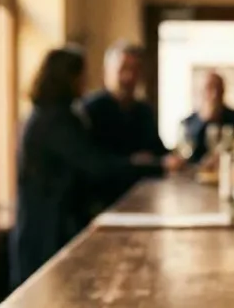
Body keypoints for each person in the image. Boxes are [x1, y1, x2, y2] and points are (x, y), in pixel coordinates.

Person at [10, 48, 140, 288]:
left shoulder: (54, 115)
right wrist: (142, 165)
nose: (84, 82)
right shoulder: (55, 120)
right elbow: (95, 164)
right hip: (46, 234)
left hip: (48, 228)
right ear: (67, 78)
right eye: (81, 76)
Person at [80, 41, 184, 204]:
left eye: (134, 70)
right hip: (102, 203)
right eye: (122, 69)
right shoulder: (90, 110)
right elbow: (95, 164)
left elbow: (157, 152)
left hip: (145, 199)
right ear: (106, 72)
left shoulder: (144, 111)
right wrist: (137, 163)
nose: (128, 77)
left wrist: (177, 159)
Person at [180, 72, 234, 164]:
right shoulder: (187, 123)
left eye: (218, 89)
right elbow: (186, 156)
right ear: (201, 92)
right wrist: (203, 120)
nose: (214, 94)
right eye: (209, 88)